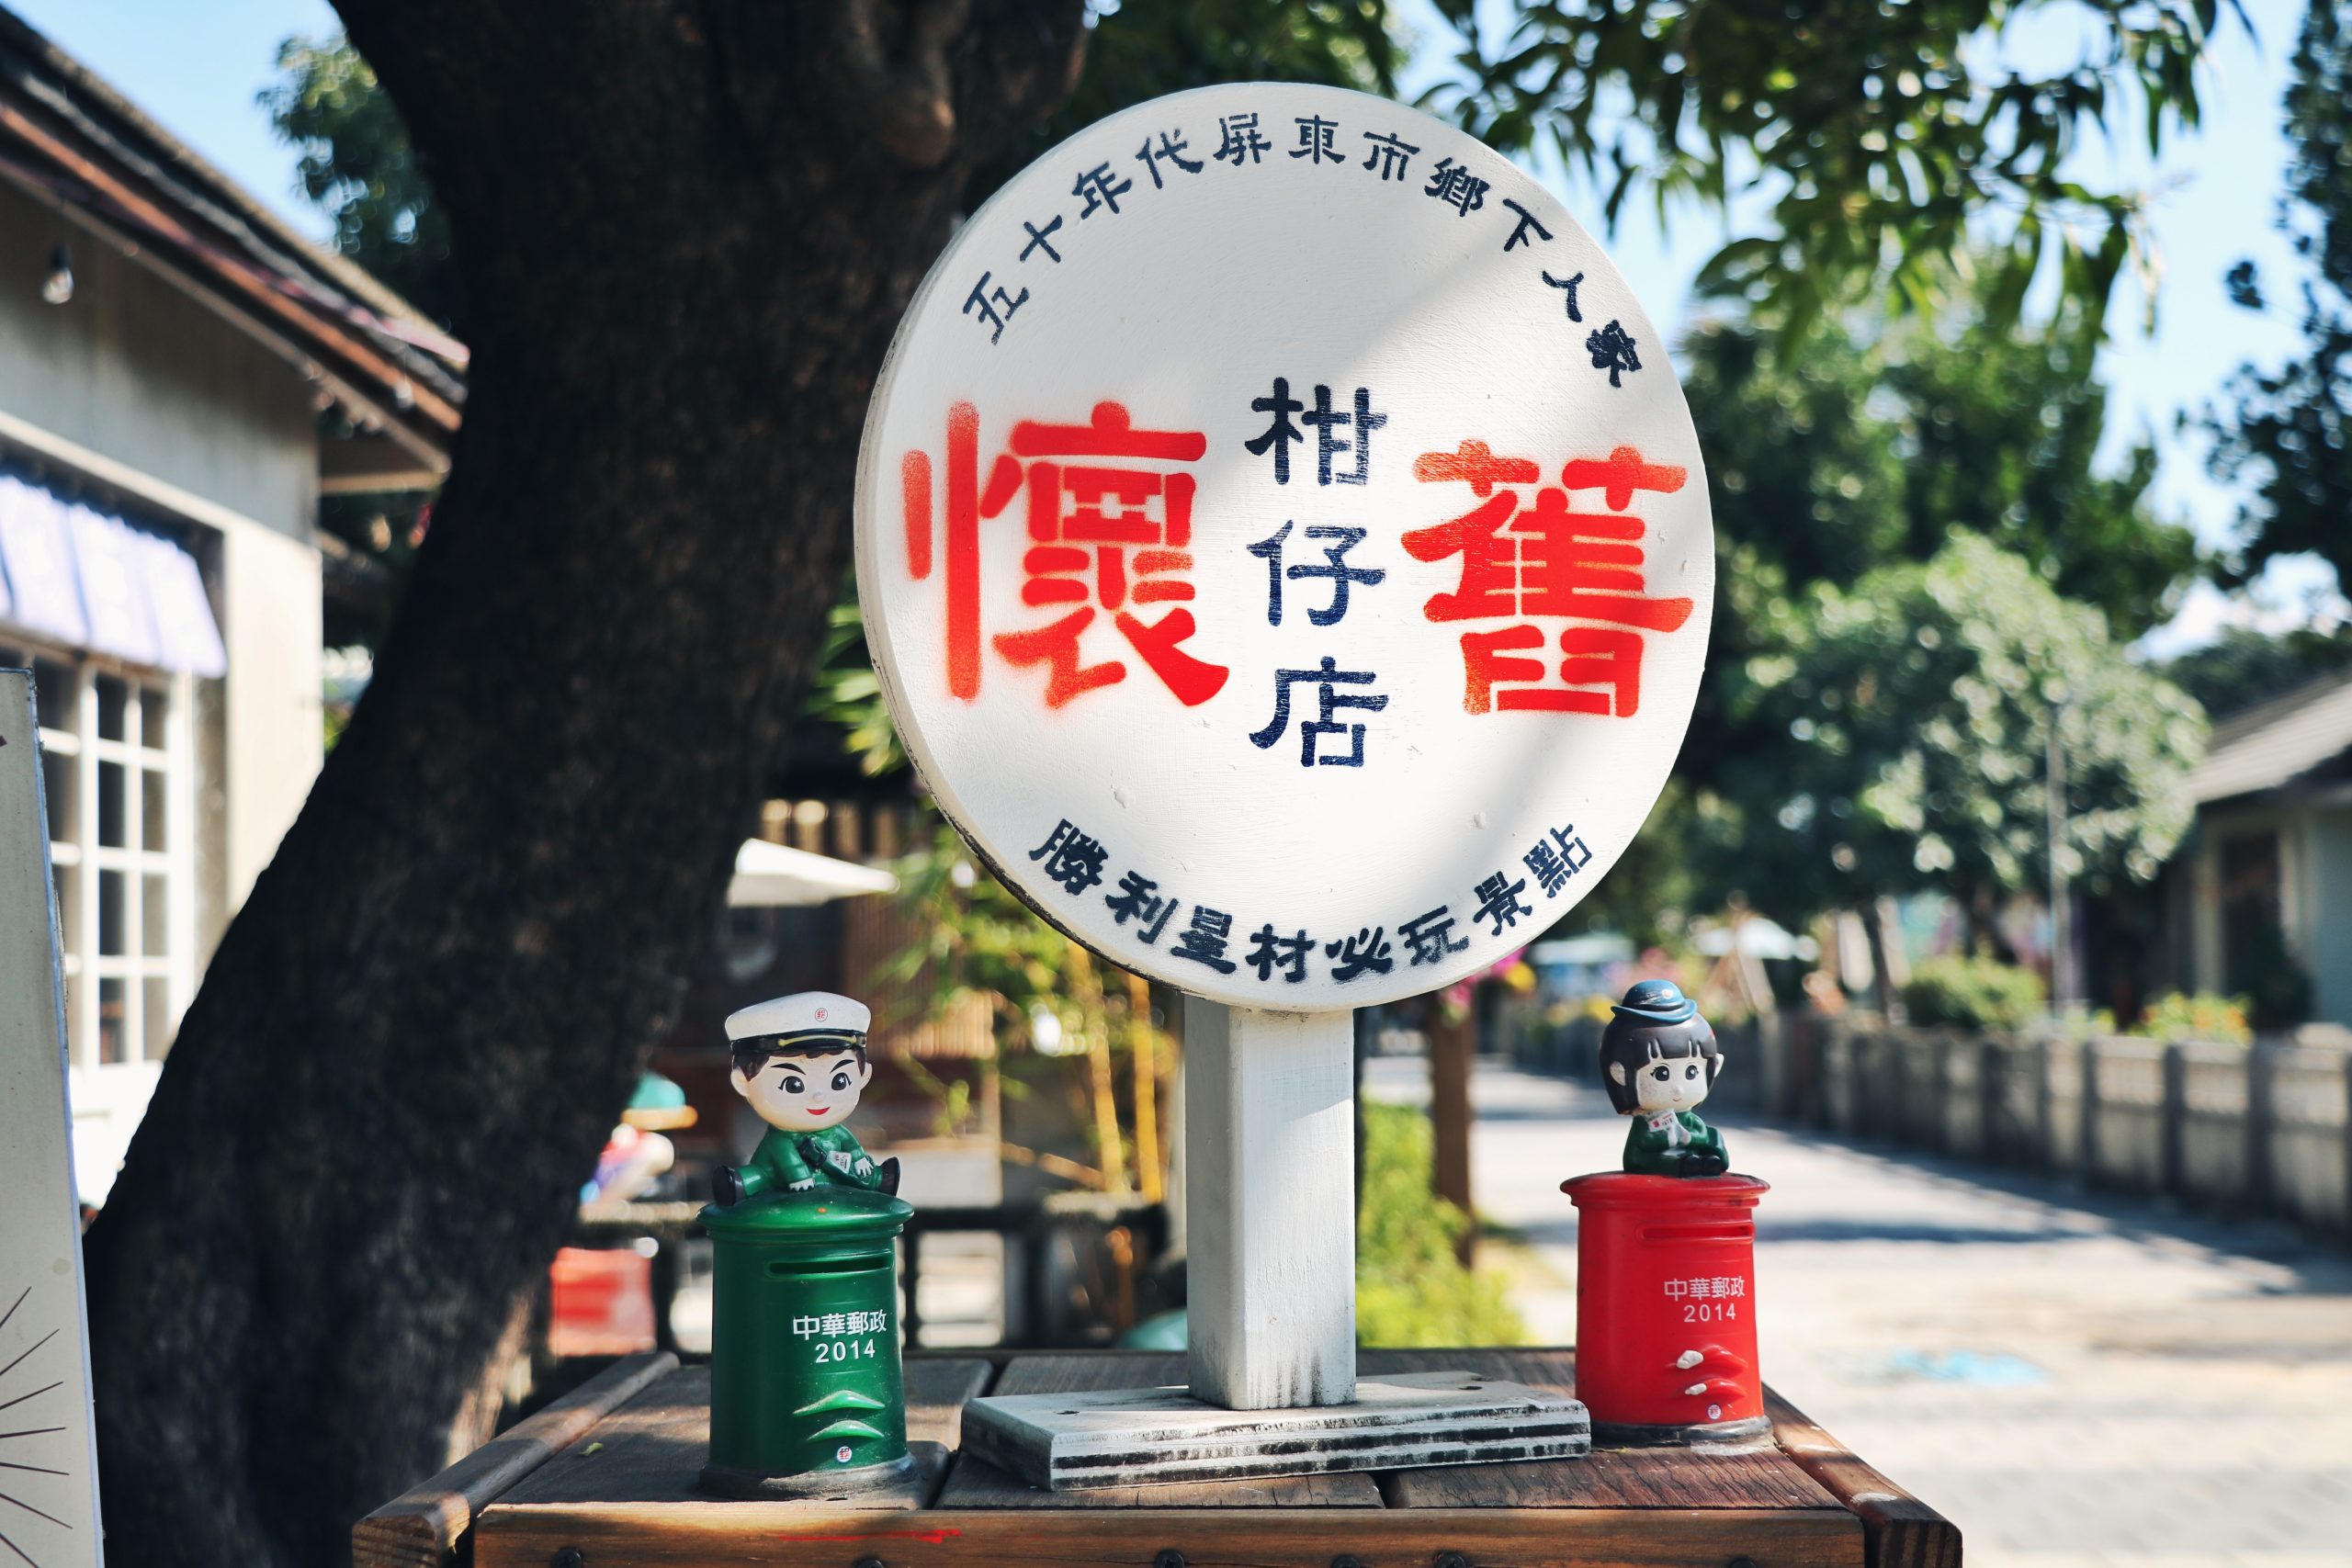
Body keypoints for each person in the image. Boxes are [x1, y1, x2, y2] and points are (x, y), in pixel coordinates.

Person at [713, 991, 900, 1204]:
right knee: (759, 1176)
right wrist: (799, 1176)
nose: (819, 1096)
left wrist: (858, 1157)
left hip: (834, 1171)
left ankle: (881, 1179)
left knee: (855, 1171)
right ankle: (738, 1184)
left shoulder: (835, 1133)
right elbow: (787, 1158)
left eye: (839, 1081)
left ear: (863, 1076)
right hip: (776, 1172)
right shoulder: (781, 1140)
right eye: (793, 1085)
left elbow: (849, 1142)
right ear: (743, 1082)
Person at [1598, 979, 1728, 1178]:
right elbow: (1645, 1140)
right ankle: (1684, 1166)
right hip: (1647, 1159)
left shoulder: (1689, 1119)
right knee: (1663, 1162)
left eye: (1691, 1072)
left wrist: (1688, 1137)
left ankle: (1704, 1164)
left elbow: (1702, 1135)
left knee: (1713, 1140)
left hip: (1686, 1153)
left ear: (1715, 1066)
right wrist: (1674, 1136)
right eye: (1661, 1074)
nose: (1678, 1089)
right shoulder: (1647, 1121)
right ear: (1620, 1074)